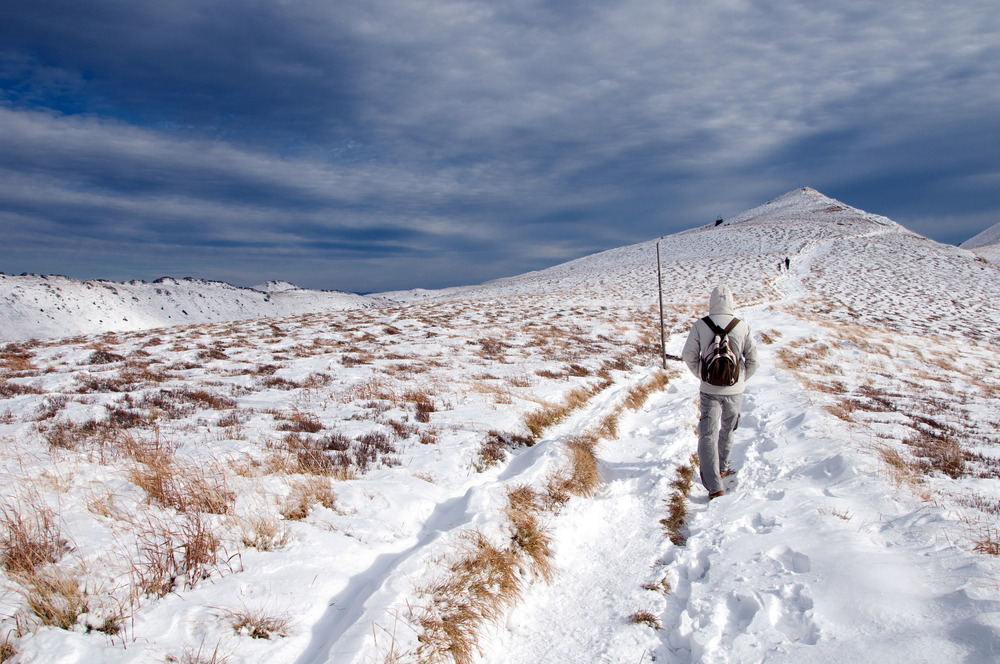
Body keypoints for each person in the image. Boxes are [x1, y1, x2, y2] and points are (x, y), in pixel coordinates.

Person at [682, 285, 760, 500]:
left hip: (708, 389)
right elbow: (753, 361)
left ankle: (714, 486)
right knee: (729, 427)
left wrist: (704, 375)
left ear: (712, 301)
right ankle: (723, 466)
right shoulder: (742, 326)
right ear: (732, 302)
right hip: (735, 389)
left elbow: (688, 355)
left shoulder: (701, 325)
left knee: (708, 433)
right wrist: (739, 380)